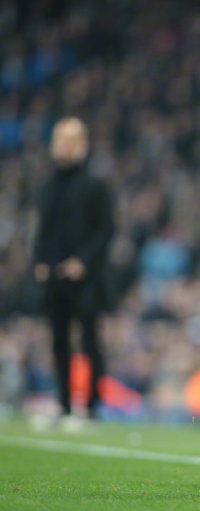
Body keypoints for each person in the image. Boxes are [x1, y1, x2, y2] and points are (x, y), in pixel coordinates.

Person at [33, 117, 115, 427]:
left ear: (83, 144)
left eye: (70, 140)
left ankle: (92, 406)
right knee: (58, 341)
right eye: (60, 140)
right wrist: (40, 260)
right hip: (54, 276)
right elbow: (42, 229)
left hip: (86, 278)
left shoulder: (96, 184)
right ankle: (64, 404)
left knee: (90, 340)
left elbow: (106, 229)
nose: (64, 146)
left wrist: (83, 261)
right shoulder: (48, 186)